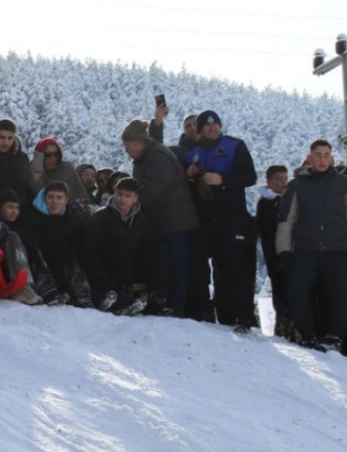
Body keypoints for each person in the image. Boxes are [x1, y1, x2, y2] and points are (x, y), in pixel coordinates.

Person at [275, 139, 347, 352]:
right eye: (318, 155)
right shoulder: (297, 185)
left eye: (326, 155)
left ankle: (334, 337)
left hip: (337, 249)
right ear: (310, 158)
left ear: (332, 158)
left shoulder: (344, 183)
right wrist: (284, 251)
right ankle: (307, 335)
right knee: (299, 293)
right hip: (305, 250)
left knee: (338, 296)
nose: (322, 159)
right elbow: (286, 220)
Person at [185, 110, 258, 330]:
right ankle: (206, 312)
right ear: (199, 131)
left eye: (215, 124)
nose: (212, 128)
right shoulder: (193, 154)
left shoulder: (234, 146)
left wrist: (223, 180)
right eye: (207, 126)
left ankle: (240, 317)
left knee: (233, 269)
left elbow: (250, 177)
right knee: (201, 268)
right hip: (205, 221)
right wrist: (190, 176)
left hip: (232, 219)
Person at [122, 119, 201, 317]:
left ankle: (177, 305)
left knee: (177, 264)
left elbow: (150, 191)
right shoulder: (148, 156)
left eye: (128, 146)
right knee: (166, 263)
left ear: (137, 143)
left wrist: (131, 204)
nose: (127, 151)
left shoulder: (158, 158)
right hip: (165, 221)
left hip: (176, 221)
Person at [82, 177, 155, 315]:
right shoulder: (101, 218)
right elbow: (89, 251)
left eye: (127, 196)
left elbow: (149, 250)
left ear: (135, 198)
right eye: (119, 194)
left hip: (131, 271)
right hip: (105, 270)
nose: (122, 199)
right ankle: (110, 299)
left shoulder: (142, 221)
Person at [256, 164, 292, 337]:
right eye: (278, 179)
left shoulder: (290, 200)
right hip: (274, 255)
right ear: (268, 181)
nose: (283, 183)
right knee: (280, 291)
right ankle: (282, 326)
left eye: (285, 179)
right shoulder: (265, 203)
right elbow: (266, 234)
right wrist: (273, 258)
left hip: (292, 254)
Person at [30, 137, 90, 202]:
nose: (52, 158)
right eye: (47, 155)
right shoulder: (32, 170)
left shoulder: (67, 169)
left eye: (56, 154)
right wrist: (36, 179)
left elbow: (81, 196)